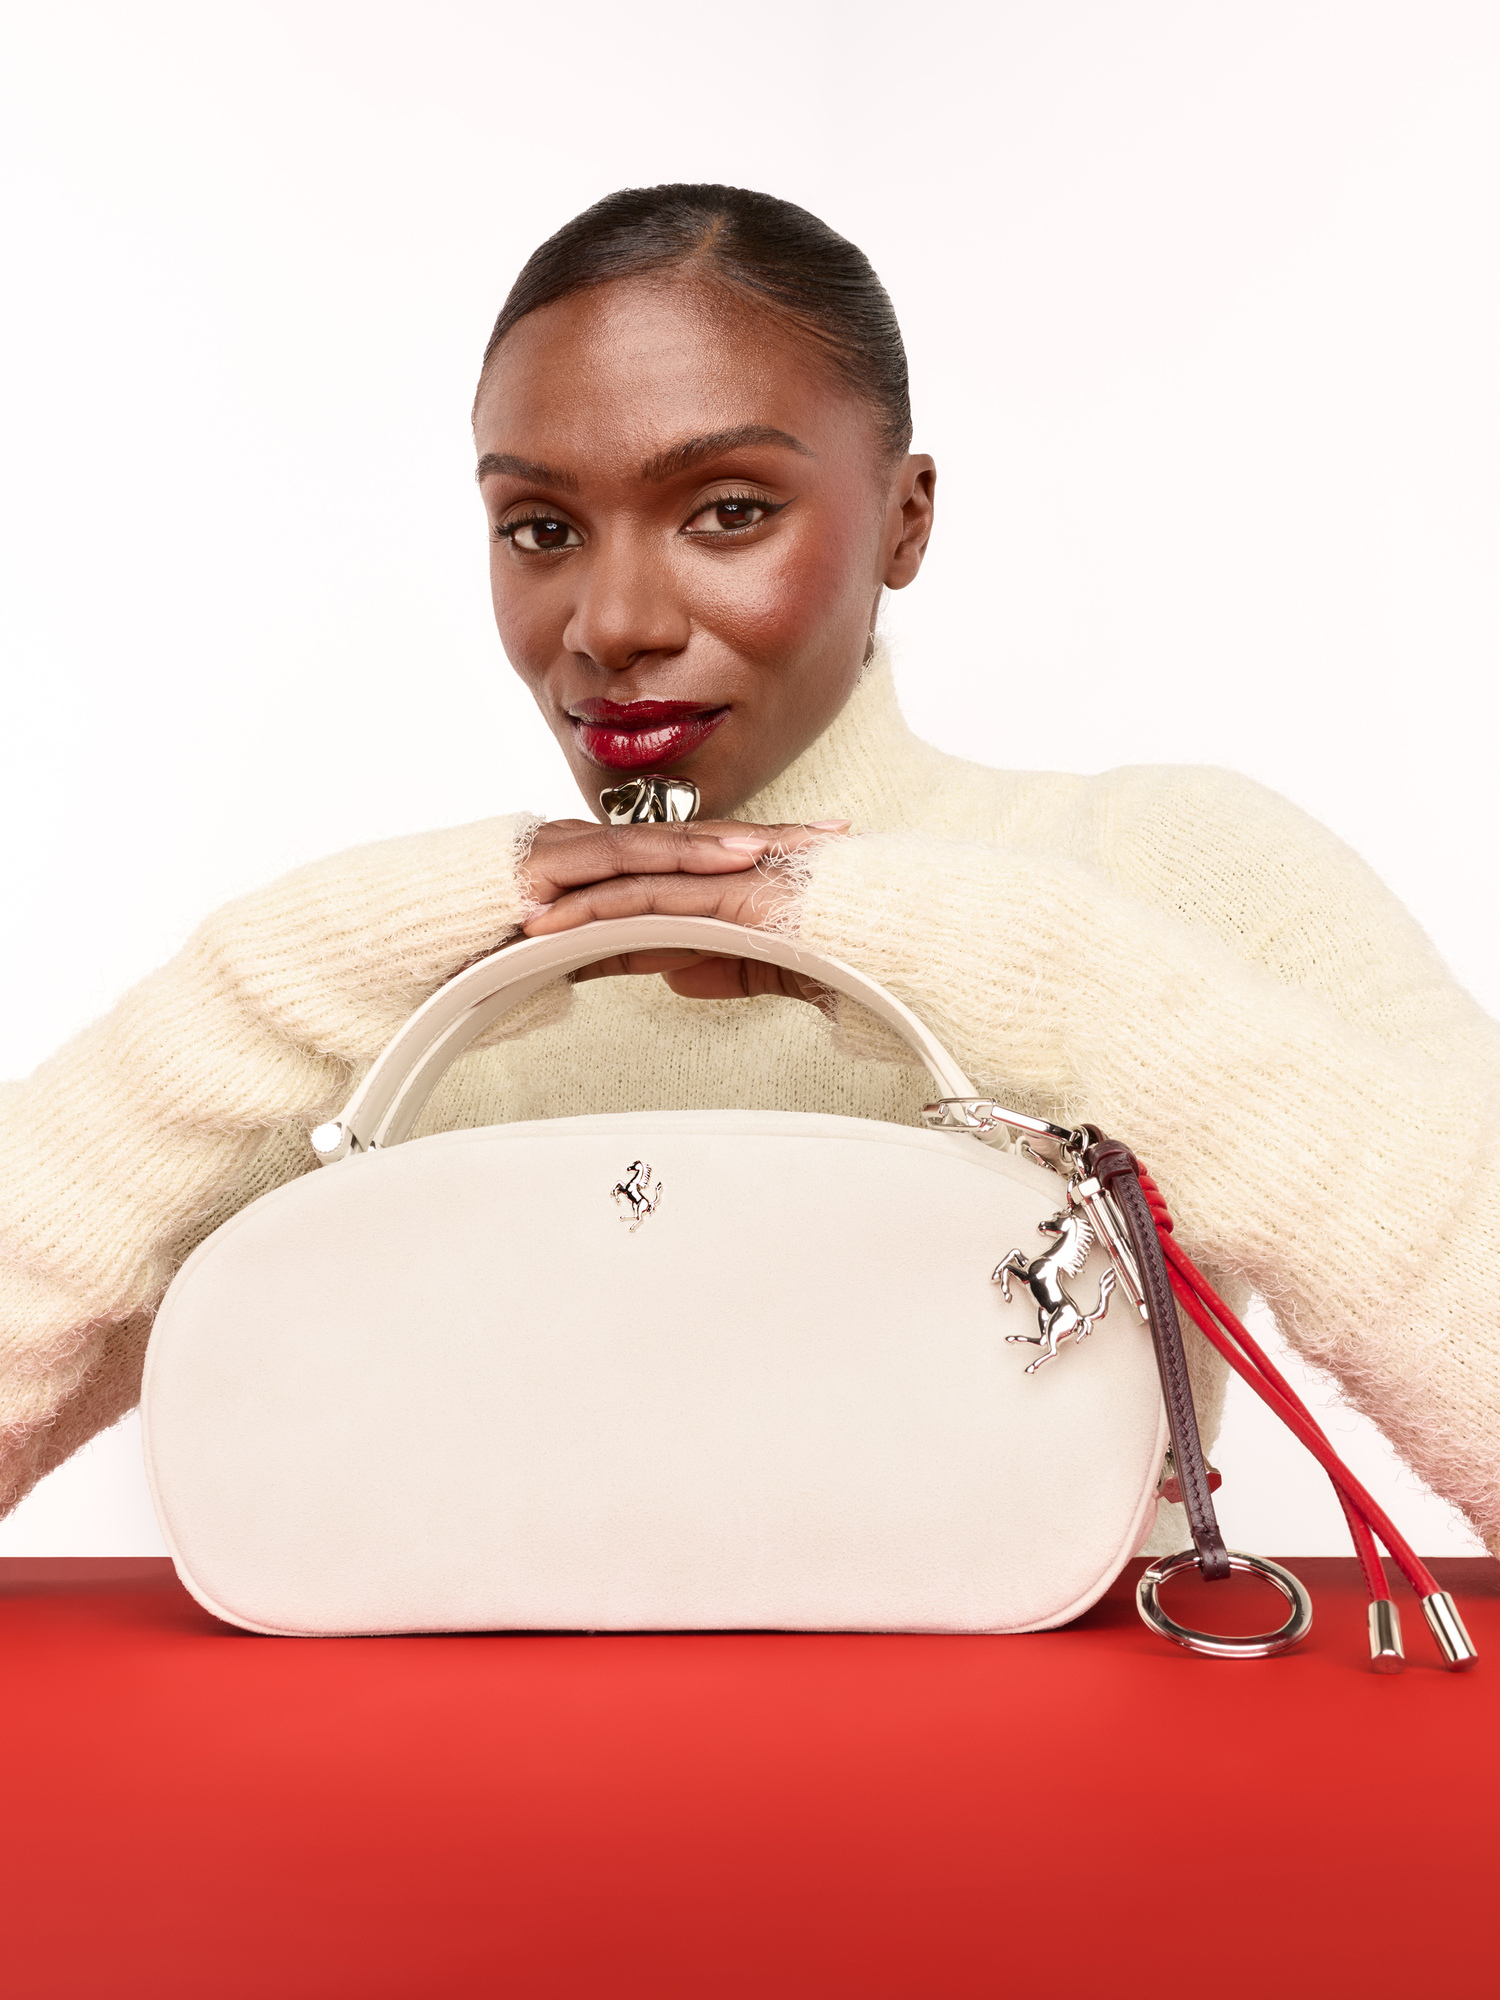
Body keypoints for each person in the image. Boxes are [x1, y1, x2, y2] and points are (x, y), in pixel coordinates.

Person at [3, 185, 1497, 1560]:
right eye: (540, 528)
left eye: (728, 510)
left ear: (904, 517)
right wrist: (265, 983)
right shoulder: (402, 999)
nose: (613, 621)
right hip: (471, 1768)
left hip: (1050, 1767)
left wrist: (1039, 974)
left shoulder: (1160, 871)